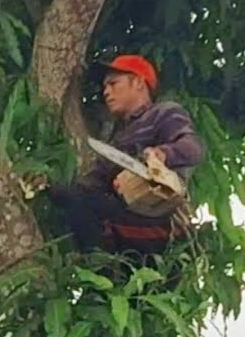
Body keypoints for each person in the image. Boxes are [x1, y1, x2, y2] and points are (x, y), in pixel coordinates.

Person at [48, 54, 206, 256]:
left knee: (80, 201)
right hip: (127, 222)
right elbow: (92, 183)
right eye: (105, 87)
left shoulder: (163, 113)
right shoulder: (117, 139)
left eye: (114, 83)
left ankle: (100, 264)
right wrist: (50, 188)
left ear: (138, 83)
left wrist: (163, 154)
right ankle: (102, 268)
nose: (107, 92)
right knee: (70, 196)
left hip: (158, 222)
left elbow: (193, 148)